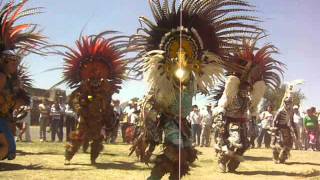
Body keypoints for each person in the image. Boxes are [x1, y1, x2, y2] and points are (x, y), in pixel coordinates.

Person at [64, 32, 128, 165]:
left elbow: (108, 99)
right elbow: (75, 98)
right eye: (94, 71)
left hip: (98, 118)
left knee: (97, 139)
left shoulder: (106, 86)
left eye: (99, 71)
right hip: (85, 116)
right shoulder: (84, 85)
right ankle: (68, 156)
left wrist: (107, 112)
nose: (96, 74)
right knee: (78, 136)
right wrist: (80, 108)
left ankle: (93, 158)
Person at [0, 1, 45, 160]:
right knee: (7, 147)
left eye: (16, 62)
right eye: (11, 61)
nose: (14, 64)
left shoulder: (11, 79)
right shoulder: (2, 77)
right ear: (3, 61)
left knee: (9, 148)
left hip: (4, 117)